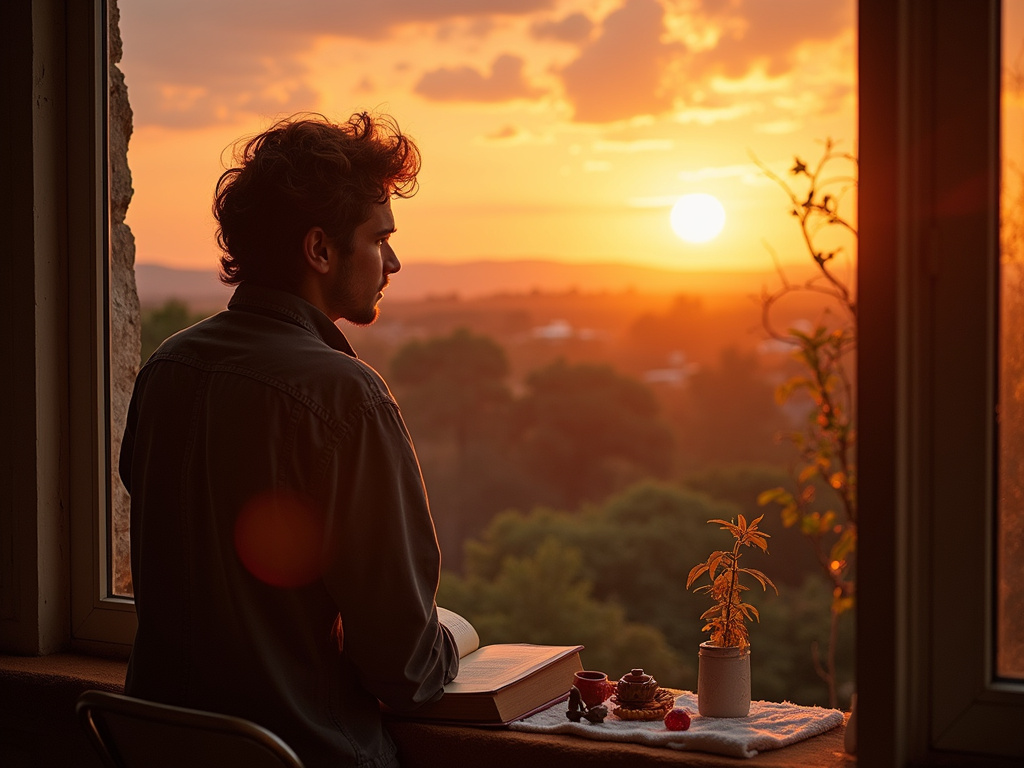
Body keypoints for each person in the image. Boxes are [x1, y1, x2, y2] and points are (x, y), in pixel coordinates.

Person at [119, 112, 460, 768]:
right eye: (378, 239)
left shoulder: (167, 369)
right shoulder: (347, 398)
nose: (392, 261)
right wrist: (458, 642)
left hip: (156, 748)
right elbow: (407, 672)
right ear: (320, 250)